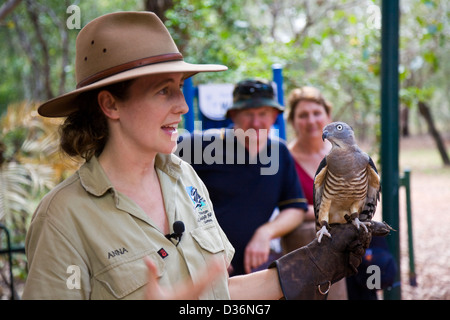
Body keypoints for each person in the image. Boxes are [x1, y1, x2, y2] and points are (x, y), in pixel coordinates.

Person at [22, 11, 372, 300]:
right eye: (164, 91)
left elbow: (216, 296)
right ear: (110, 104)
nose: (183, 106)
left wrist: (312, 265)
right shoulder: (63, 218)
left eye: (180, 87)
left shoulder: (185, 179)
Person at [177, 79, 308, 276]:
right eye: (248, 114)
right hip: (198, 267)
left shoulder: (279, 152)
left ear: (274, 116)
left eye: (263, 113)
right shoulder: (198, 146)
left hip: (252, 270)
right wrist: (205, 247)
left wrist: (265, 233)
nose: (256, 123)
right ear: (234, 115)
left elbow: (295, 208)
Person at [283, 86, 348, 299]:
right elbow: (281, 210)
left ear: (328, 117)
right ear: (292, 122)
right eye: (303, 115)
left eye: (316, 113)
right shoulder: (284, 159)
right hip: (302, 253)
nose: (311, 120)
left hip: (348, 250)